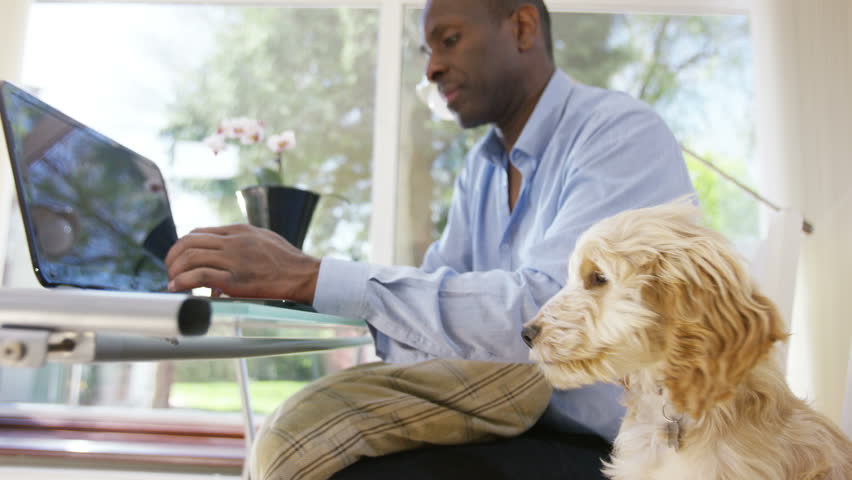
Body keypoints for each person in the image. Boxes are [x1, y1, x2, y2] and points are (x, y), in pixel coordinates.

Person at [165, 0, 695, 478]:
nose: (431, 67)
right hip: (515, 431)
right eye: (426, 49)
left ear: (523, 26)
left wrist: (308, 274)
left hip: (619, 455)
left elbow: (548, 320)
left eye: (449, 40)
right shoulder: (481, 170)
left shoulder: (617, 133)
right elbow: (438, 313)